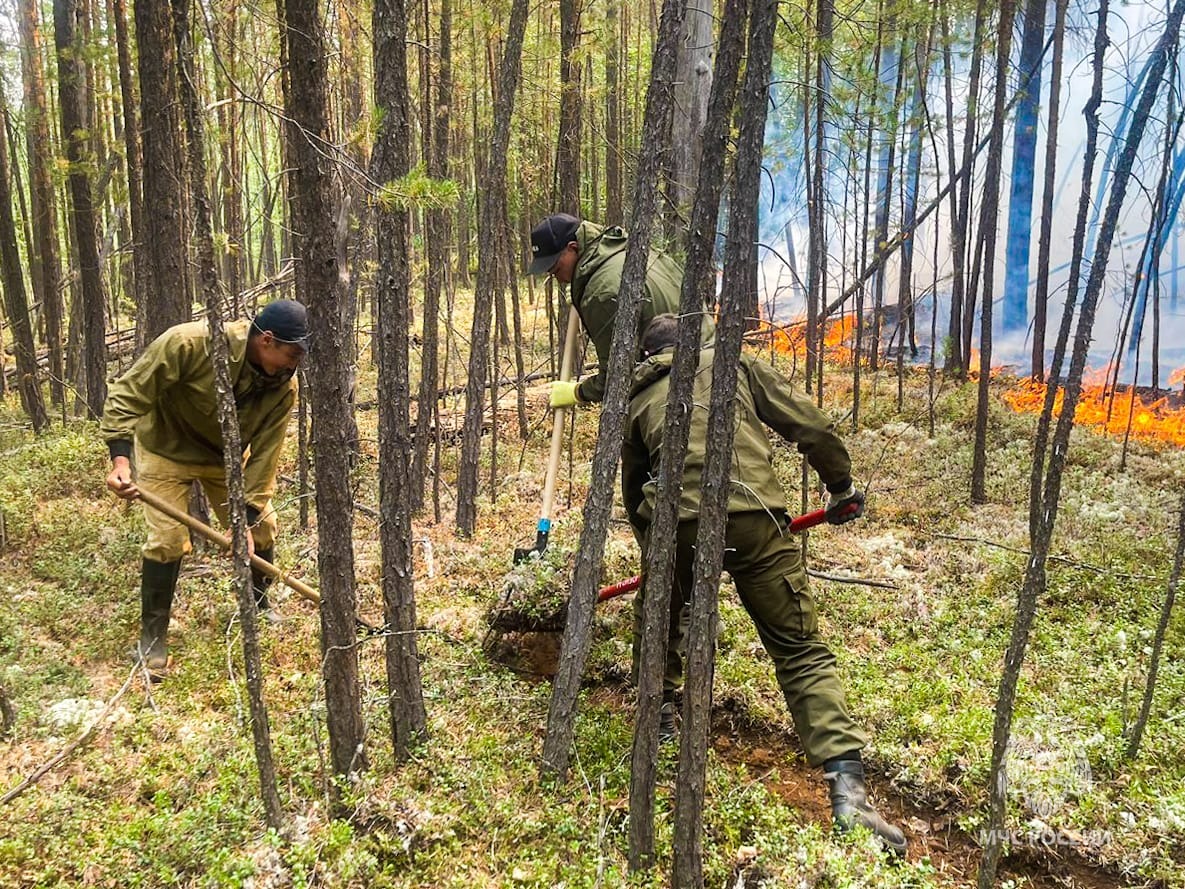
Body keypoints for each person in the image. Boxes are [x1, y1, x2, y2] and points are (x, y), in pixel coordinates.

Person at [620, 313, 906, 854]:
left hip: (671, 526)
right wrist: (841, 487)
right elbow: (813, 428)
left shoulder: (638, 400)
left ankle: (658, 723)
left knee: (659, 627)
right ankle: (848, 792)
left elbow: (636, 492)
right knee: (800, 650)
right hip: (755, 519)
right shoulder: (736, 366)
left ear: (647, 357)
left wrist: (659, 560)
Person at [101, 300, 307, 679]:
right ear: (266, 340)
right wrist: (120, 460)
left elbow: (265, 456)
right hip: (166, 449)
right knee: (166, 538)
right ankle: (152, 638)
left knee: (263, 527)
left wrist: (244, 520)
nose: (295, 364)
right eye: (292, 354)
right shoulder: (189, 344)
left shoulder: (284, 386)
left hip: (224, 457)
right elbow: (129, 392)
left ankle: (260, 605)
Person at [526, 213, 713, 407]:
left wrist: (578, 392)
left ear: (573, 248)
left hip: (676, 386)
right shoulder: (636, 252)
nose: (557, 277)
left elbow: (617, 378)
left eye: (556, 268)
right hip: (710, 365)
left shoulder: (601, 292)